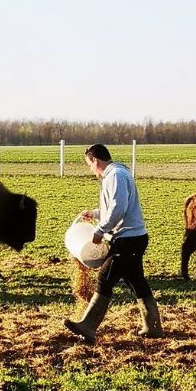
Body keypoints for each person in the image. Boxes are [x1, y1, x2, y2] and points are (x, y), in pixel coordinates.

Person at [65, 143, 163, 342]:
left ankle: (88, 326)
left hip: (128, 239)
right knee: (136, 280)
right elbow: (114, 209)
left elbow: (119, 208)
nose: (90, 169)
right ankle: (153, 327)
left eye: (89, 164)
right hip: (132, 237)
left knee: (105, 278)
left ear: (95, 160)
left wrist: (100, 231)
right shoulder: (116, 174)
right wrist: (94, 214)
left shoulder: (116, 176)